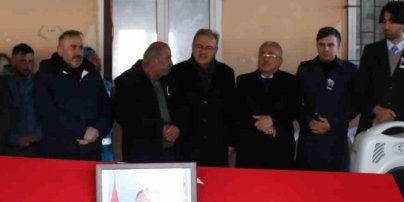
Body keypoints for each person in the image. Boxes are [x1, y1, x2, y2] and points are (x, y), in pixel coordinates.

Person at [355, 1, 404, 134]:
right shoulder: (371, 51)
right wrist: (377, 110)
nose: (386, 26)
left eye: (392, 22)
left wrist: (392, 114)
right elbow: (361, 85)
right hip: (372, 123)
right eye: (384, 21)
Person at [34, 30, 112, 160]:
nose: (77, 52)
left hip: (91, 151)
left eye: (80, 47)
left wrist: (97, 130)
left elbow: (106, 109)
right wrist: (82, 131)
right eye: (73, 47)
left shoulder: (92, 75)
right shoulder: (45, 76)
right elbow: (46, 113)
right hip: (59, 153)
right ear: (60, 50)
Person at [168, 29, 236, 167]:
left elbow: (232, 109)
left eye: (209, 48)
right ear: (192, 46)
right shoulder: (177, 72)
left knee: (217, 185)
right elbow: (172, 107)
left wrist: (231, 141)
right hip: (185, 143)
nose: (203, 51)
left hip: (217, 144)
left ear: (215, 50)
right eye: (199, 46)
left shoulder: (226, 73)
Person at [296, 28, 357, 172]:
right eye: (322, 45)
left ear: (339, 46)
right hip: (309, 138)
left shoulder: (349, 71)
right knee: (304, 188)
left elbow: (356, 105)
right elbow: (295, 101)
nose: (326, 49)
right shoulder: (305, 69)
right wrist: (308, 121)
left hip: (336, 139)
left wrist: (333, 123)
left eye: (331, 45)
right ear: (316, 45)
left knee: (335, 189)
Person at [235, 41, 299, 169]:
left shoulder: (292, 82)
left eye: (271, 55)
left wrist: (272, 120)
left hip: (280, 145)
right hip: (250, 145)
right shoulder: (244, 81)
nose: (265, 58)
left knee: (281, 186)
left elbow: (294, 109)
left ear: (280, 61)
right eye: (262, 54)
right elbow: (239, 110)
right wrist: (262, 125)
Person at [113, 42, 180, 162]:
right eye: (168, 58)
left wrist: (176, 127)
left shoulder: (167, 79)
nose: (171, 63)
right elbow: (127, 118)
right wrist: (161, 129)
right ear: (154, 60)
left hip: (170, 151)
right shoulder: (125, 82)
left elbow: (178, 106)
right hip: (141, 155)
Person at [4, 43, 42, 157]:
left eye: (30, 61)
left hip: (37, 146)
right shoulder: (2, 84)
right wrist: (15, 139)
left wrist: (37, 135)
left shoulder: (40, 84)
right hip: (9, 147)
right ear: (12, 61)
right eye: (22, 61)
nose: (27, 66)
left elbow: (49, 113)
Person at [83, 46, 114, 161]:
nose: (99, 63)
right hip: (87, 142)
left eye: (98, 60)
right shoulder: (78, 85)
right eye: (94, 60)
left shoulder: (107, 85)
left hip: (106, 143)